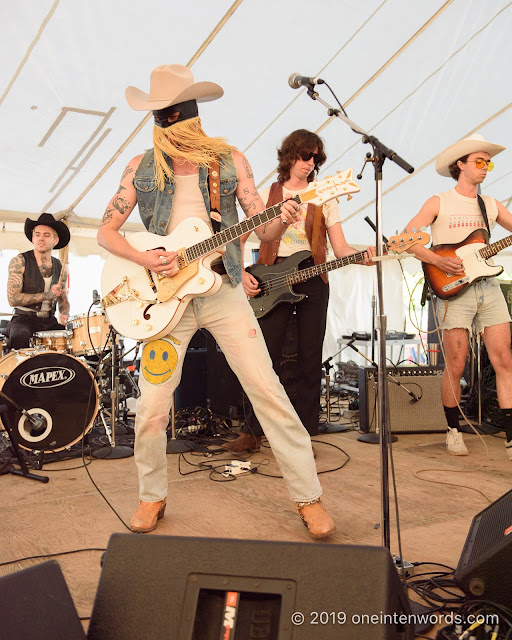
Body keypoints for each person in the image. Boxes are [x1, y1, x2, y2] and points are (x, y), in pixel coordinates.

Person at [97, 64, 335, 538]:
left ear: (190, 116)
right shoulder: (140, 166)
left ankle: (308, 497)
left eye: (171, 117)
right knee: (152, 405)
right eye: (159, 118)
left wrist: (282, 218)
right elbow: (106, 231)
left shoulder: (230, 160)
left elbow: (260, 226)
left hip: (224, 290)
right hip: (165, 301)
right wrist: (145, 255)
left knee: (267, 390)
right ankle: (152, 496)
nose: (165, 126)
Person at [223, 129, 375, 454]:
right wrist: (243, 273)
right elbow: (240, 237)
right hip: (270, 279)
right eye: (305, 156)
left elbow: (341, 246)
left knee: (310, 360)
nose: (309, 163)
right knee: (263, 360)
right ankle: (252, 432)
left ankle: (305, 436)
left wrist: (359, 258)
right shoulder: (266, 194)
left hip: (313, 278)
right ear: (290, 155)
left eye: (314, 158)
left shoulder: (325, 196)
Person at [404, 133, 512, 460]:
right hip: (452, 288)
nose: (485, 167)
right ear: (460, 165)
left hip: (489, 287)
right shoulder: (439, 201)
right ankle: (453, 430)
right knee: (456, 364)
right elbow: (407, 239)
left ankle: (510, 438)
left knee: (504, 360)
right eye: (479, 161)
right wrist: (437, 260)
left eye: (488, 162)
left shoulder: (491, 205)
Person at [6, 213, 70, 350]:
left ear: (55, 240)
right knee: (20, 335)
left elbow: (63, 298)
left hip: (49, 321)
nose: (41, 238)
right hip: (23, 320)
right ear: (33, 237)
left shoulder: (60, 266)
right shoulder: (19, 261)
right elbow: (12, 299)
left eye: (46, 235)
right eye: (37, 234)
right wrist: (47, 295)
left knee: (73, 337)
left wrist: (65, 313)